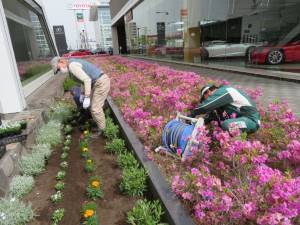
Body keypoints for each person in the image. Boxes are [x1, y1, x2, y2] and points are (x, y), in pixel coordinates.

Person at [51, 56, 110, 134]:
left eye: (58, 68)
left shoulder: (72, 65)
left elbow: (87, 80)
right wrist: (82, 93)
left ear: (61, 61)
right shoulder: (71, 66)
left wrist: (87, 96)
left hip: (100, 82)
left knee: (96, 108)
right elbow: (83, 81)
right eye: (58, 71)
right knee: (92, 107)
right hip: (97, 83)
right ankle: (98, 123)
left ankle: (102, 130)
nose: (60, 71)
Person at [188, 84, 260, 133]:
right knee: (226, 125)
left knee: (227, 125)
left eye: (205, 99)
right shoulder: (220, 104)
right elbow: (209, 117)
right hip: (244, 120)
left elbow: (205, 106)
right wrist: (192, 124)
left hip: (251, 120)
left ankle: (238, 147)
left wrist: (192, 114)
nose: (207, 101)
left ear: (208, 93)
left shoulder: (226, 90)